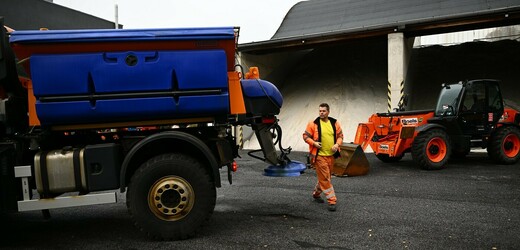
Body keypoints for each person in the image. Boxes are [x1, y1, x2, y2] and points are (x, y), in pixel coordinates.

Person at [303, 103, 344, 211]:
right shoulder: (313, 124)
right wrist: (314, 143)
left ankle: (316, 194)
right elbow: (305, 136)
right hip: (319, 156)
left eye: (323, 111)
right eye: (320, 111)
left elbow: (340, 136)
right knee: (325, 178)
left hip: (331, 156)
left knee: (326, 178)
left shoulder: (334, 123)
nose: (321, 112)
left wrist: (337, 144)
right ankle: (332, 201)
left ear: (328, 112)